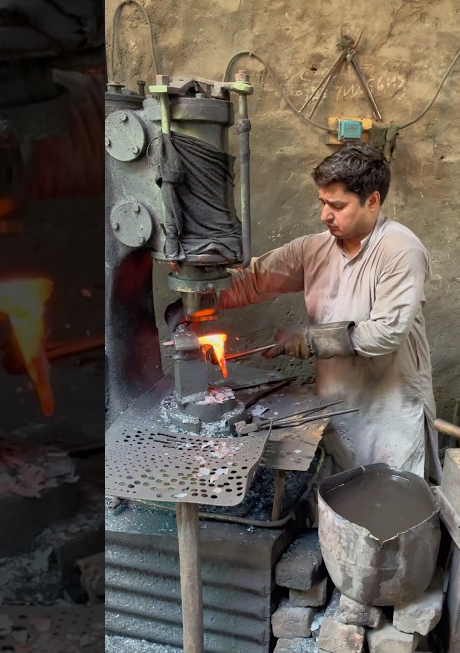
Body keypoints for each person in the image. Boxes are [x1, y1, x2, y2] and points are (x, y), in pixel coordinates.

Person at [176, 144, 436, 477]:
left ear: (372, 201)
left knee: (389, 510)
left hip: (388, 415)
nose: (324, 215)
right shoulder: (314, 248)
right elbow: (251, 281)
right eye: (322, 202)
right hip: (333, 406)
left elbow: (385, 333)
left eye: (337, 206)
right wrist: (197, 299)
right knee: (339, 502)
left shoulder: (401, 250)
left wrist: (306, 339)